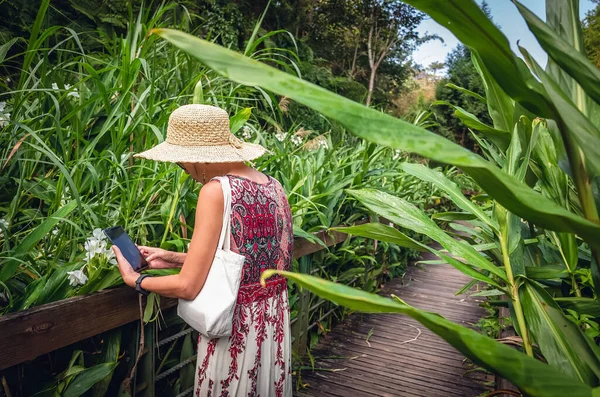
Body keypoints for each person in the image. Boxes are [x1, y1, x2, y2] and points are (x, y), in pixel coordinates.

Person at [113, 104, 293, 397]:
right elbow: (259, 263)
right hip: (273, 325)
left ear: (197, 158)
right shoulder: (274, 187)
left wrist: (135, 279)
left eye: (181, 164)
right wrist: (174, 257)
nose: (185, 171)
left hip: (236, 328)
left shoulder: (216, 190)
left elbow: (187, 286)